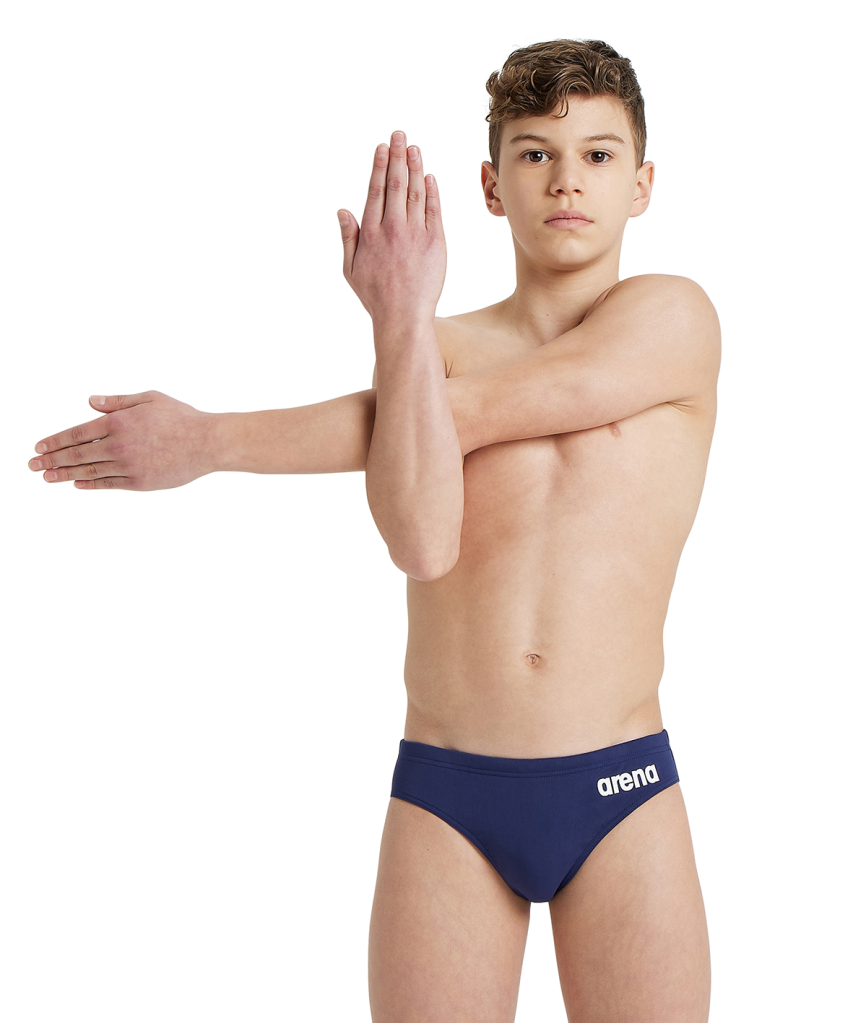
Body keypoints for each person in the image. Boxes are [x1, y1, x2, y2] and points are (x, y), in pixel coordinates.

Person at [28, 38, 719, 1023]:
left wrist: (212, 438)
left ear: (641, 184)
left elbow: (469, 414)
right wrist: (401, 317)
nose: (566, 180)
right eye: (534, 153)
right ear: (490, 186)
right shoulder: (430, 349)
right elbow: (422, 543)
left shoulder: (674, 318)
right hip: (449, 790)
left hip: (622, 783)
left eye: (598, 155)